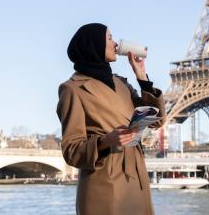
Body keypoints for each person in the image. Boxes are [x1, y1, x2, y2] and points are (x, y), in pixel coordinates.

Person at [57, 23, 165, 215]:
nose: (116, 43)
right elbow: (71, 150)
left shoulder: (121, 83)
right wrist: (106, 141)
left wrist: (141, 75)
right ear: (94, 45)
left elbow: (156, 119)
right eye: (109, 38)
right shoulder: (72, 89)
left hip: (137, 180)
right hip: (104, 184)